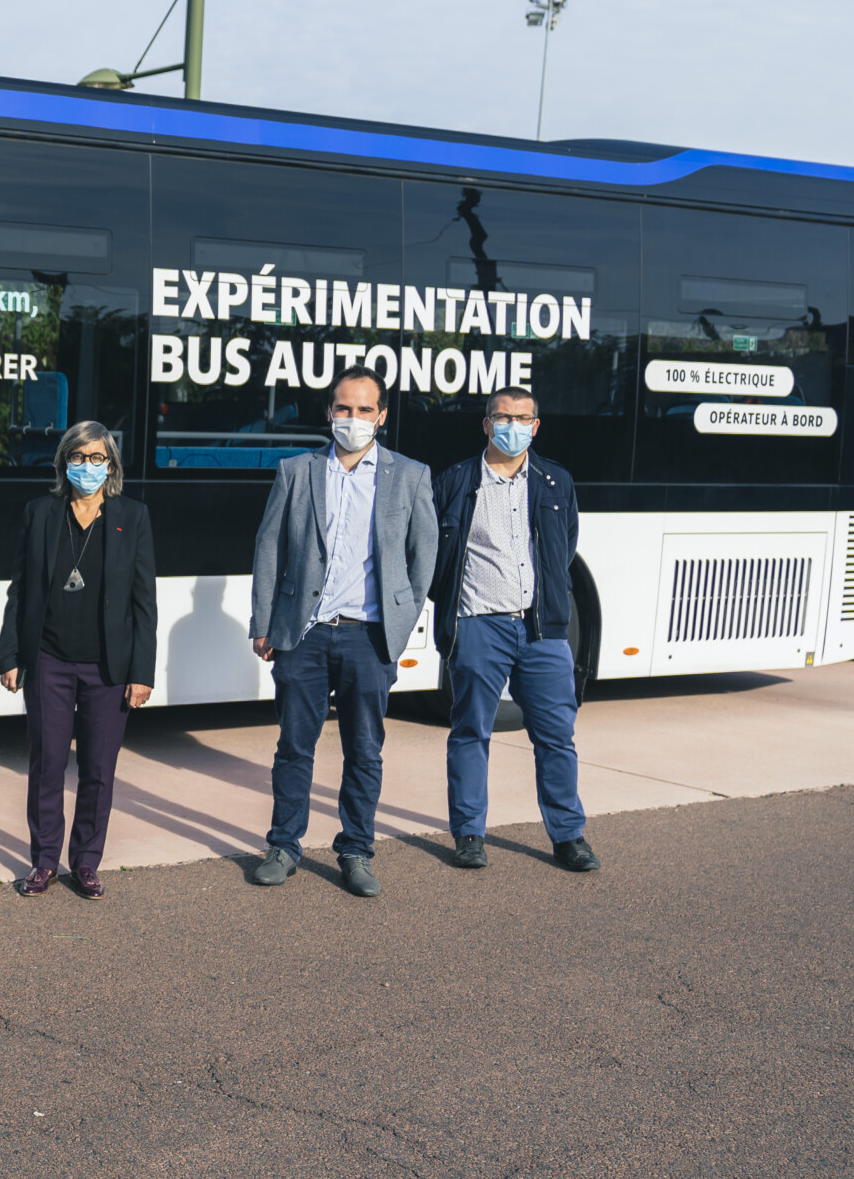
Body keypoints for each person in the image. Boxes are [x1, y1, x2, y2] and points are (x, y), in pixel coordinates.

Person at [247, 365, 437, 898]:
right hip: (303, 635)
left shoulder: (410, 475)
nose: (352, 419)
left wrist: (399, 623)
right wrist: (264, 623)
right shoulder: (296, 471)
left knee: (364, 751)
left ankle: (355, 850)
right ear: (329, 412)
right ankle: (284, 845)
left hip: (368, 636)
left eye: (363, 410)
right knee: (293, 748)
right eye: (343, 409)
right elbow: (269, 548)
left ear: (381, 416)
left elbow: (425, 557)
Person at [430, 388, 600, 873]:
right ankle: (468, 834)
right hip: (478, 625)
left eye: (523, 418)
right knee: (469, 732)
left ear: (536, 425)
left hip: (542, 630)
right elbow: (438, 559)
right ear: (486, 424)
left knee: (556, 737)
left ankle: (568, 836)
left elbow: (563, 551)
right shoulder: (456, 481)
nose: (513, 426)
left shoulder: (555, 481)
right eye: (503, 417)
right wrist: (455, 611)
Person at [0, 421, 158, 899]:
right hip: (49, 661)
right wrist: (10, 655)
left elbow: (144, 602)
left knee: (98, 768)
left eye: (97, 457)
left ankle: (86, 861)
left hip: (109, 667)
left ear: (111, 464)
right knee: (46, 764)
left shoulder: (133, 516)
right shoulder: (39, 513)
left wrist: (141, 672)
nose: (88, 466)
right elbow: (20, 590)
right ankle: (44, 862)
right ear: (64, 461)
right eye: (79, 457)